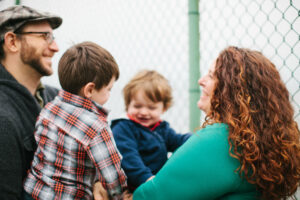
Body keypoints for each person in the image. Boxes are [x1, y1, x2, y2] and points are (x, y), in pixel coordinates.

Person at [133, 46, 300, 200]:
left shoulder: (221, 139)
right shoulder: (260, 140)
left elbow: (151, 196)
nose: (201, 80)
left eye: (211, 76)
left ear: (232, 90)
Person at [23, 41, 127, 200]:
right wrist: (119, 195)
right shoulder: (96, 127)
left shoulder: (49, 107)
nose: (109, 95)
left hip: (33, 192)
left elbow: (39, 142)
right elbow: (112, 176)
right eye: (109, 89)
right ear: (90, 90)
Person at [0, 5, 62, 199]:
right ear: (12, 42)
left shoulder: (57, 98)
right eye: (45, 36)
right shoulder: (3, 119)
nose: (55, 47)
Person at [111, 70, 191, 191]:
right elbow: (128, 158)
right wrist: (146, 178)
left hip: (155, 183)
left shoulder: (161, 128)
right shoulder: (123, 128)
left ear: (164, 108)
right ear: (128, 105)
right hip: (136, 186)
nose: (143, 112)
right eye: (137, 106)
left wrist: (197, 139)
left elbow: (178, 141)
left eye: (151, 108)